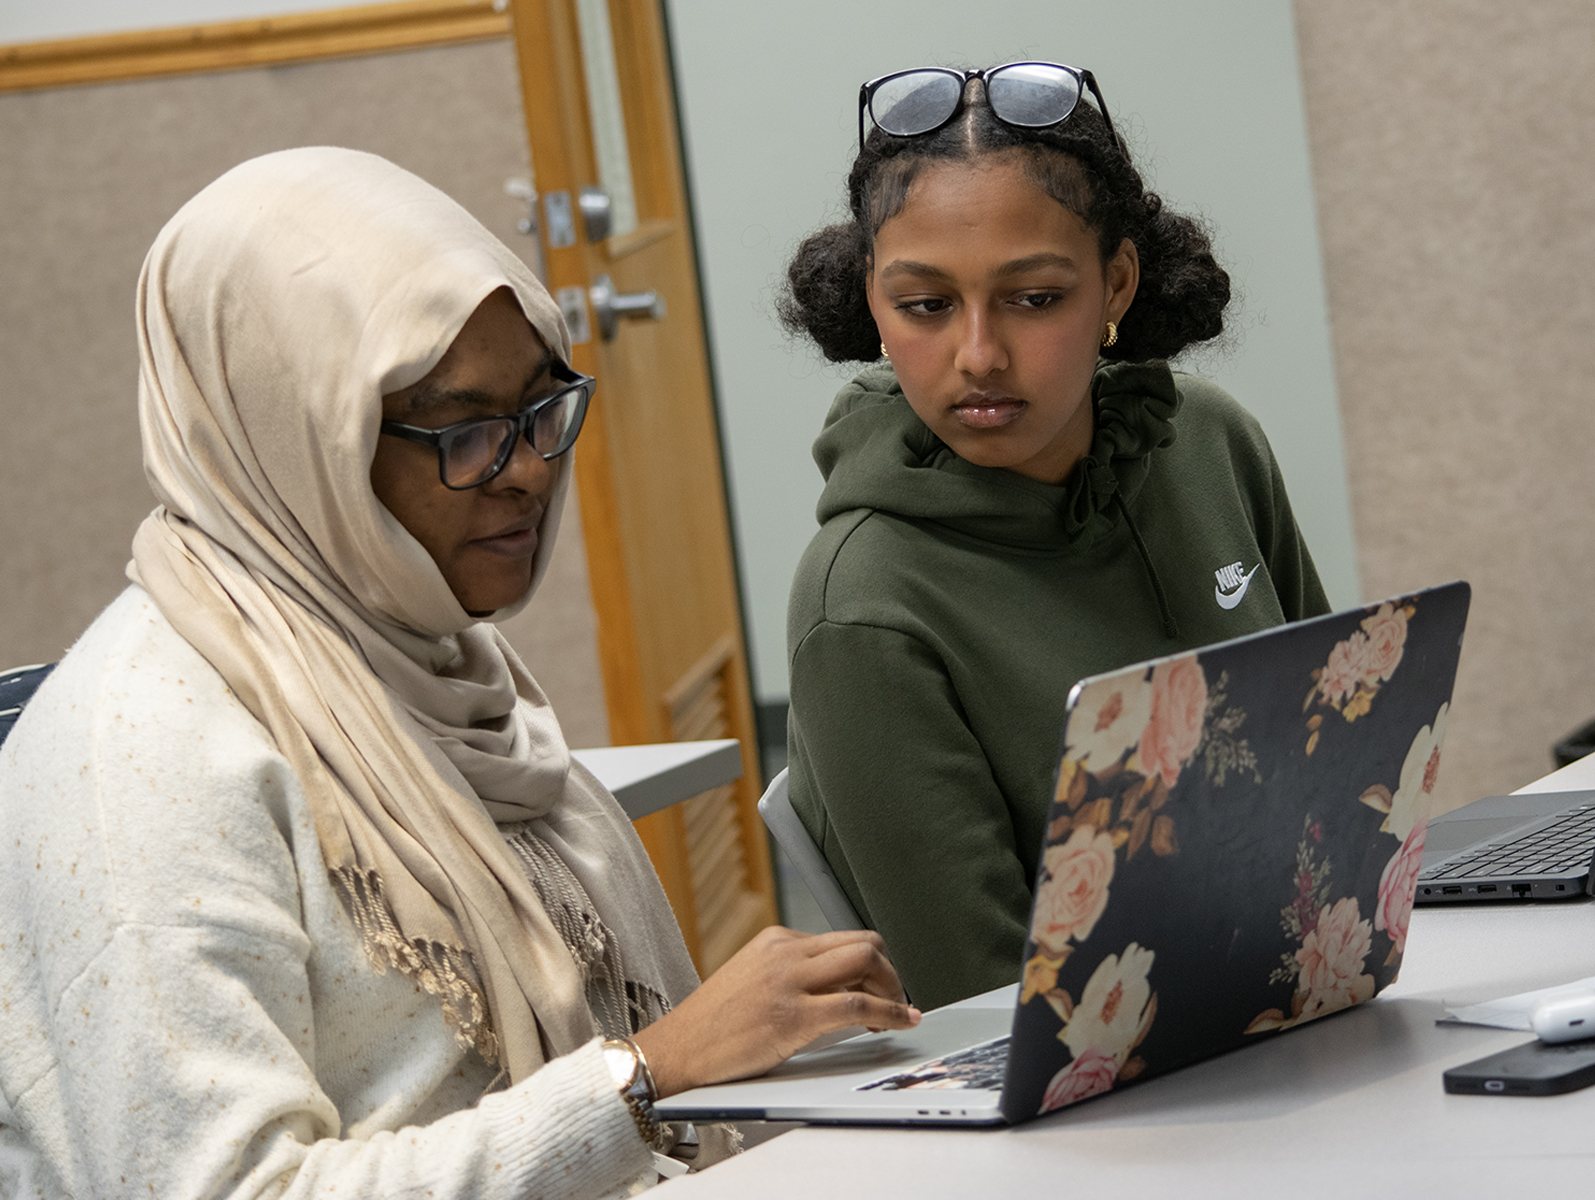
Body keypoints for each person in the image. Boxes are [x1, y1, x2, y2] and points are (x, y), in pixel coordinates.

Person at [0, 147, 918, 1200]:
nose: (526, 468)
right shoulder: (142, 755)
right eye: (464, 427)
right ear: (293, 433)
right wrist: (648, 1079)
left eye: (540, 409)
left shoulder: (422, 656)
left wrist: (764, 1057)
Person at [781, 64, 1332, 1011]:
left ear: (1117, 283)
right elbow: (985, 1007)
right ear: (871, 299)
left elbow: (1341, 758)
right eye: (925, 305)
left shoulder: (1208, 440)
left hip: (1319, 1001)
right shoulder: (862, 607)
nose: (979, 354)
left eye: (1034, 298)